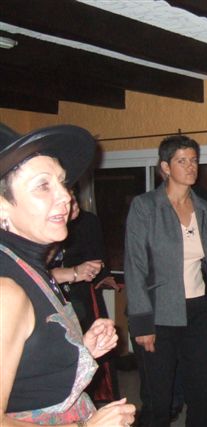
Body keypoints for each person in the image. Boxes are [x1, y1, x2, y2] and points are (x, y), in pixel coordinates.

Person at [0, 123, 135, 426]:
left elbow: (28, 374)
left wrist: (82, 348)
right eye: (43, 186)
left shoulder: (28, 267)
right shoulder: (5, 290)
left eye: (61, 182)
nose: (65, 196)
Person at [125, 134, 207, 427]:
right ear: (165, 167)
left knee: (203, 393)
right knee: (159, 400)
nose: (191, 167)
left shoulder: (206, 209)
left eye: (194, 160)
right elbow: (135, 267)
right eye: (182, 161)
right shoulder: (145, 207)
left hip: (198, 312)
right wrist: (142, 324)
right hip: (158, 314)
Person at [49, 190, 122, 404]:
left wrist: (100, 273)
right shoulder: (43, 228)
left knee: (90, 347)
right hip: (53, 298)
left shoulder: (88, 221)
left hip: (82, 295)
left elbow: (98, 256)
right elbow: (36, 272)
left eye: (72, 195)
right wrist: (73, 272)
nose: (70, 200)